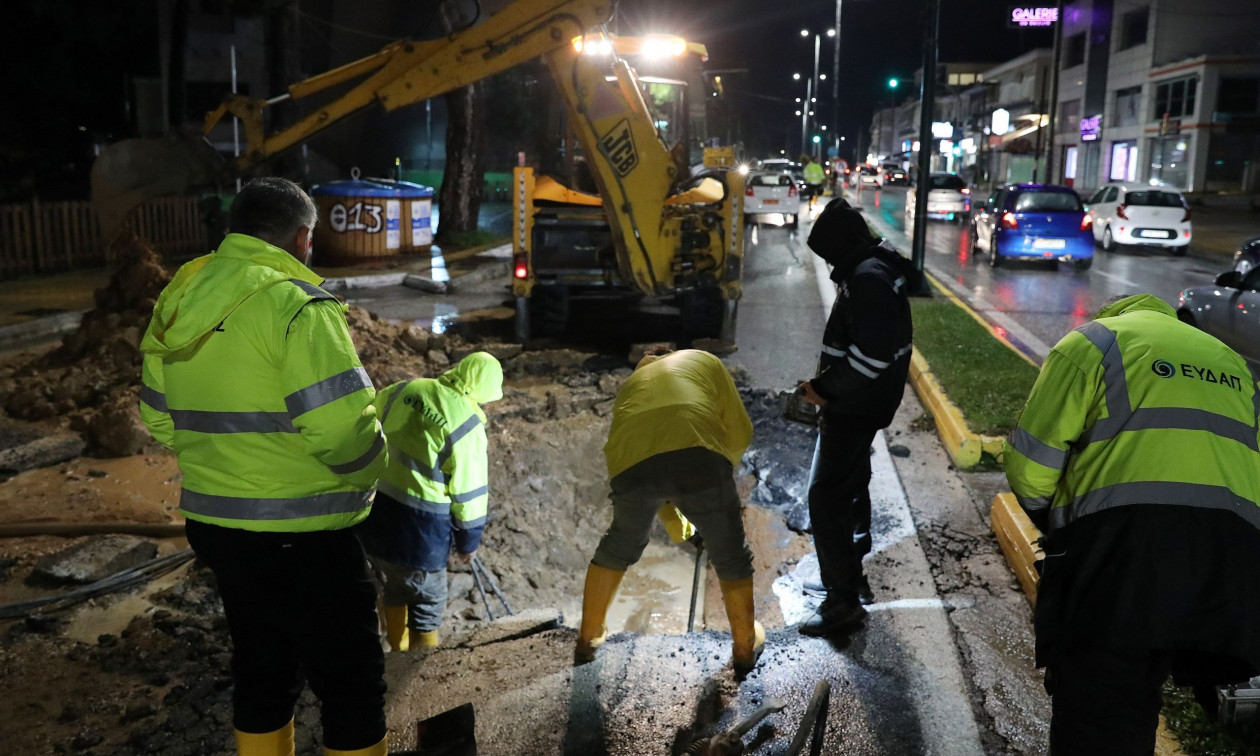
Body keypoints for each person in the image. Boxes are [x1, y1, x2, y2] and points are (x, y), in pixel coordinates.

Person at [139, 177, 390, 756]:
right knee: (350, 686)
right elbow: (341, 432)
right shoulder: (296, 304)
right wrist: (368, 472)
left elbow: (160, 420)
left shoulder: (180, 297)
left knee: (262, 668)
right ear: (302, 236)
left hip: (219, 529)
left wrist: (226, 461)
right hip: (306, 537)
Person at [1004, 293, 1260, 754]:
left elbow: (1030, 470)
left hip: (1122, 554)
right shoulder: (1230, 360)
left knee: (1101, 705)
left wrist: (1063, 531)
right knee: (1150, 673)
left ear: (1113, 312)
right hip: (1227, 559)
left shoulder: (1092, 343)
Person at [575, 348, 762, 676]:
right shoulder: (703, 360)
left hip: (629, 465)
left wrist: (685, 528)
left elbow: (659, 481)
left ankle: (589, 637)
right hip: (697, 451)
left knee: (620, 545)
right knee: (731, 554)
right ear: (673, 353)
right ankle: (744, 646)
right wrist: (716, 491)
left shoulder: (634, 384)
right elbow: (739, 430)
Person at [797, 198, 918, 637]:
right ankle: (849, 579)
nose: (828, 262)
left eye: (828, 253)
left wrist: (825, 390)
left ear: (842, 245)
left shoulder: (867, 279)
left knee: (826, 496)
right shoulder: (871, 268)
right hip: (859, 404)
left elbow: (872, 355)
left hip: (855, 406)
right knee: (850, 488)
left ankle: (842, 603)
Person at [355, 353, 504, 651]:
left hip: (373, 516)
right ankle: (417, 677)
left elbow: (362, 428)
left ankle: (397, 654)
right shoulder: (466, 423)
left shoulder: (405, 389)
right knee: (428, 602)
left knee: (395, 586)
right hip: (418, 533)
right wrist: (468, 542)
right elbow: (470, 492)